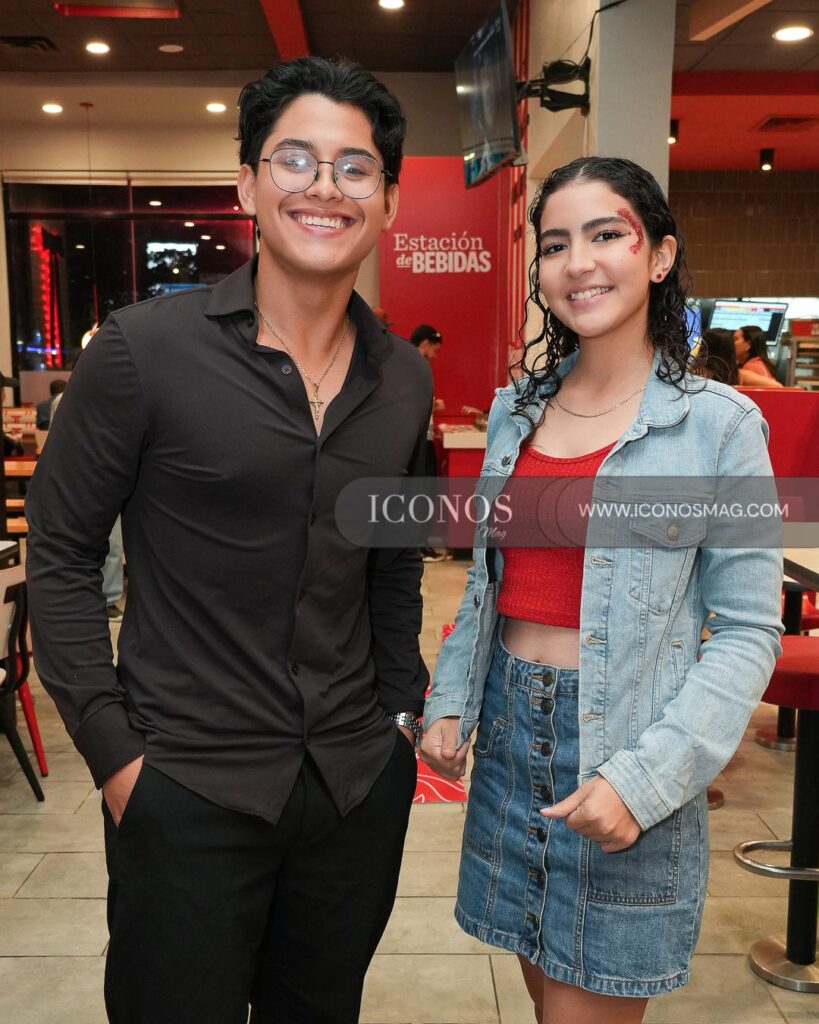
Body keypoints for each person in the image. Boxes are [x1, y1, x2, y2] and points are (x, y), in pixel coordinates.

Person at [26, 56, 432, 1024]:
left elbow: (395, 559)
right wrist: (118, 758)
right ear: (248, 183)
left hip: (352, 785)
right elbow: (62, 554)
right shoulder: (143, 351)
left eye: (354, 167)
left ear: (387, 200)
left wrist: (399, 719)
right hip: (185, 784)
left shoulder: (405, 379)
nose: (324, 187)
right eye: (295, 160)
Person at [420, 156, 783, 1024]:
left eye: (605, 234)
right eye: (554, 245)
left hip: (626, 745)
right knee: (540, 987)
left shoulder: (718, 426)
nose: (576, 262)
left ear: (658, 255)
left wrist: (646, 780)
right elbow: (488, 583)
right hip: (508, 739)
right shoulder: (516, 410)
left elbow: (746, 630)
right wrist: (452, 699)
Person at [696, 328, 782, 388]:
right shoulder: (740, 375)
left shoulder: (695, 373)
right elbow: (777, 386)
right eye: (732, 340)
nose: (734, 344)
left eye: (735, 339)